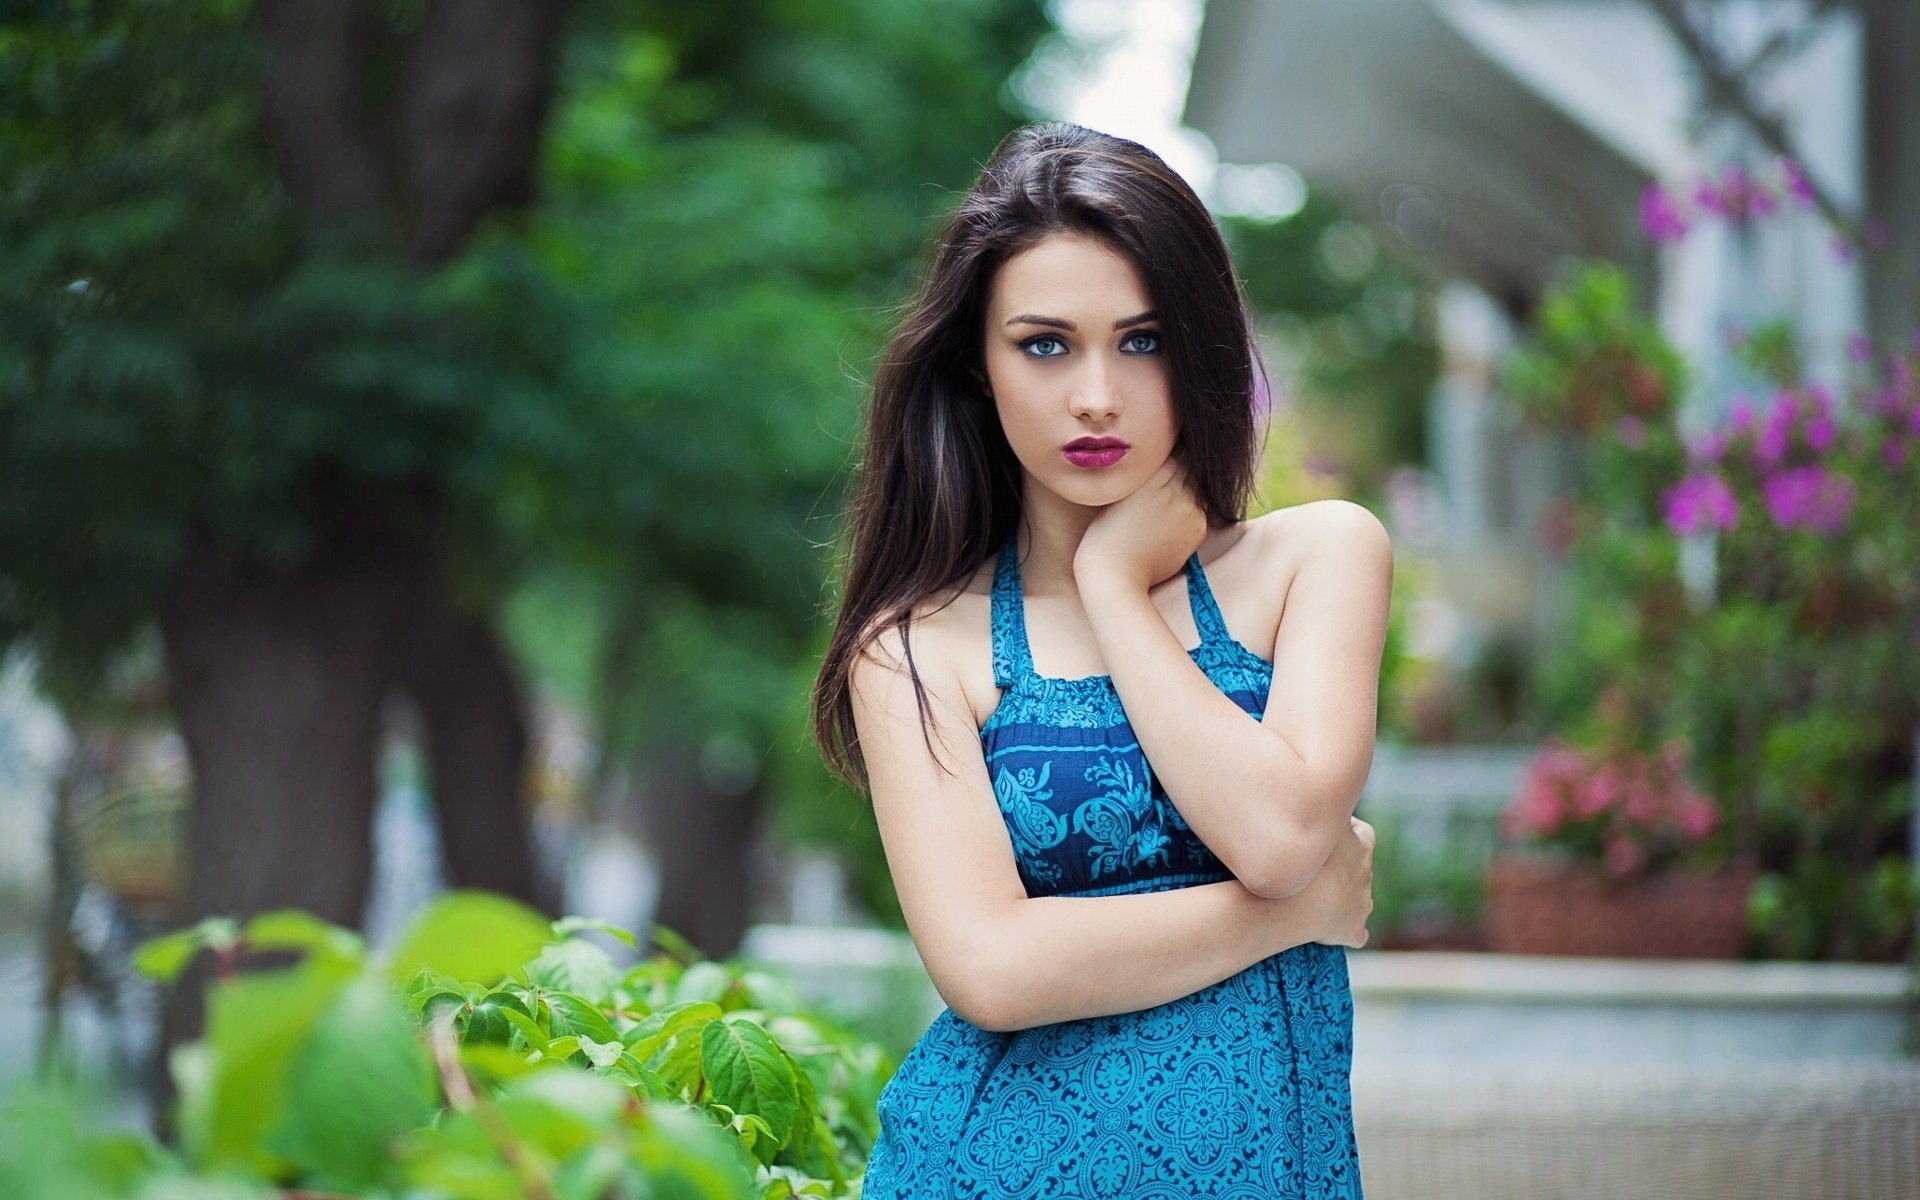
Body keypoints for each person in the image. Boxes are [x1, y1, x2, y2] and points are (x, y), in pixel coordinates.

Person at [809, 121, 1388, 1198]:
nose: (1095, 396)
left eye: (1141, 340)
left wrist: (1116, 588)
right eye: (1044, 345)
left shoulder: (1315, 559)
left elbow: (1277, 837)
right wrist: (1296, 918)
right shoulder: (918, 645)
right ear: (978, 367)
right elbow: (990, 970)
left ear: (1199, 348)